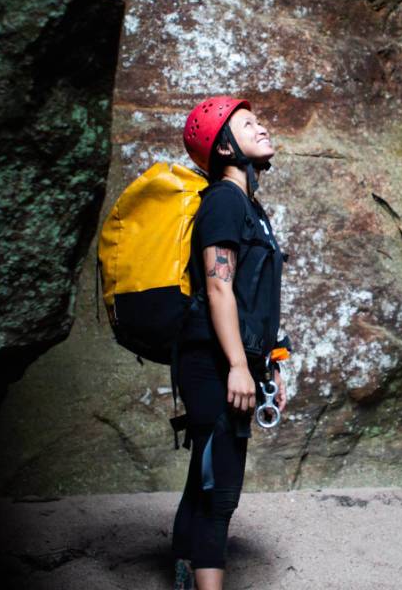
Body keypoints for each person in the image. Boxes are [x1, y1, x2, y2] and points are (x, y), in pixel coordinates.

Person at [171, 96, 288, 590]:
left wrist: (273, 362)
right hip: (211, 361)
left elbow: (254, 293)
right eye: (247, 123)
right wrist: (238, 366)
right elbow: (218, 286)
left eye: (259, 119)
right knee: (220, 490)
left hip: (236, 360)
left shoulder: (250, 207)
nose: (261, 127)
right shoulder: (223, 198)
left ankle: (182, 570)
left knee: (206, 478)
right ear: (222, 145)